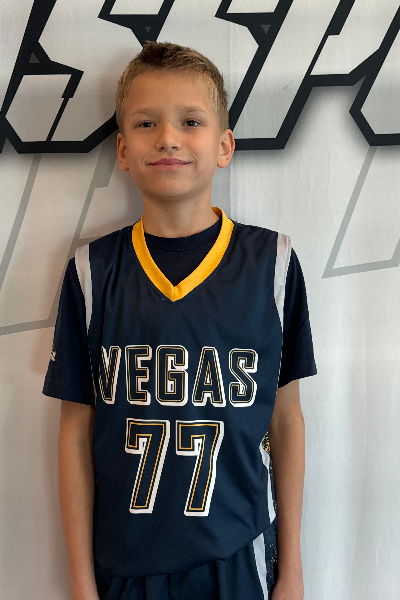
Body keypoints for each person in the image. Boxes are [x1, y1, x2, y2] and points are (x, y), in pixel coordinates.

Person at [43, 41, 317, 600]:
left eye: (190, 121)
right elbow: (75, 431)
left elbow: (286, 419)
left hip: (237, 558)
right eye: (147, 123)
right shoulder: (92, 271)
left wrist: (291, 568)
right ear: (123, 150)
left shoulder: (272, 264)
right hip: (124, 562)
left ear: (224, 145)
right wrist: (80, 580)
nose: (168, 138)